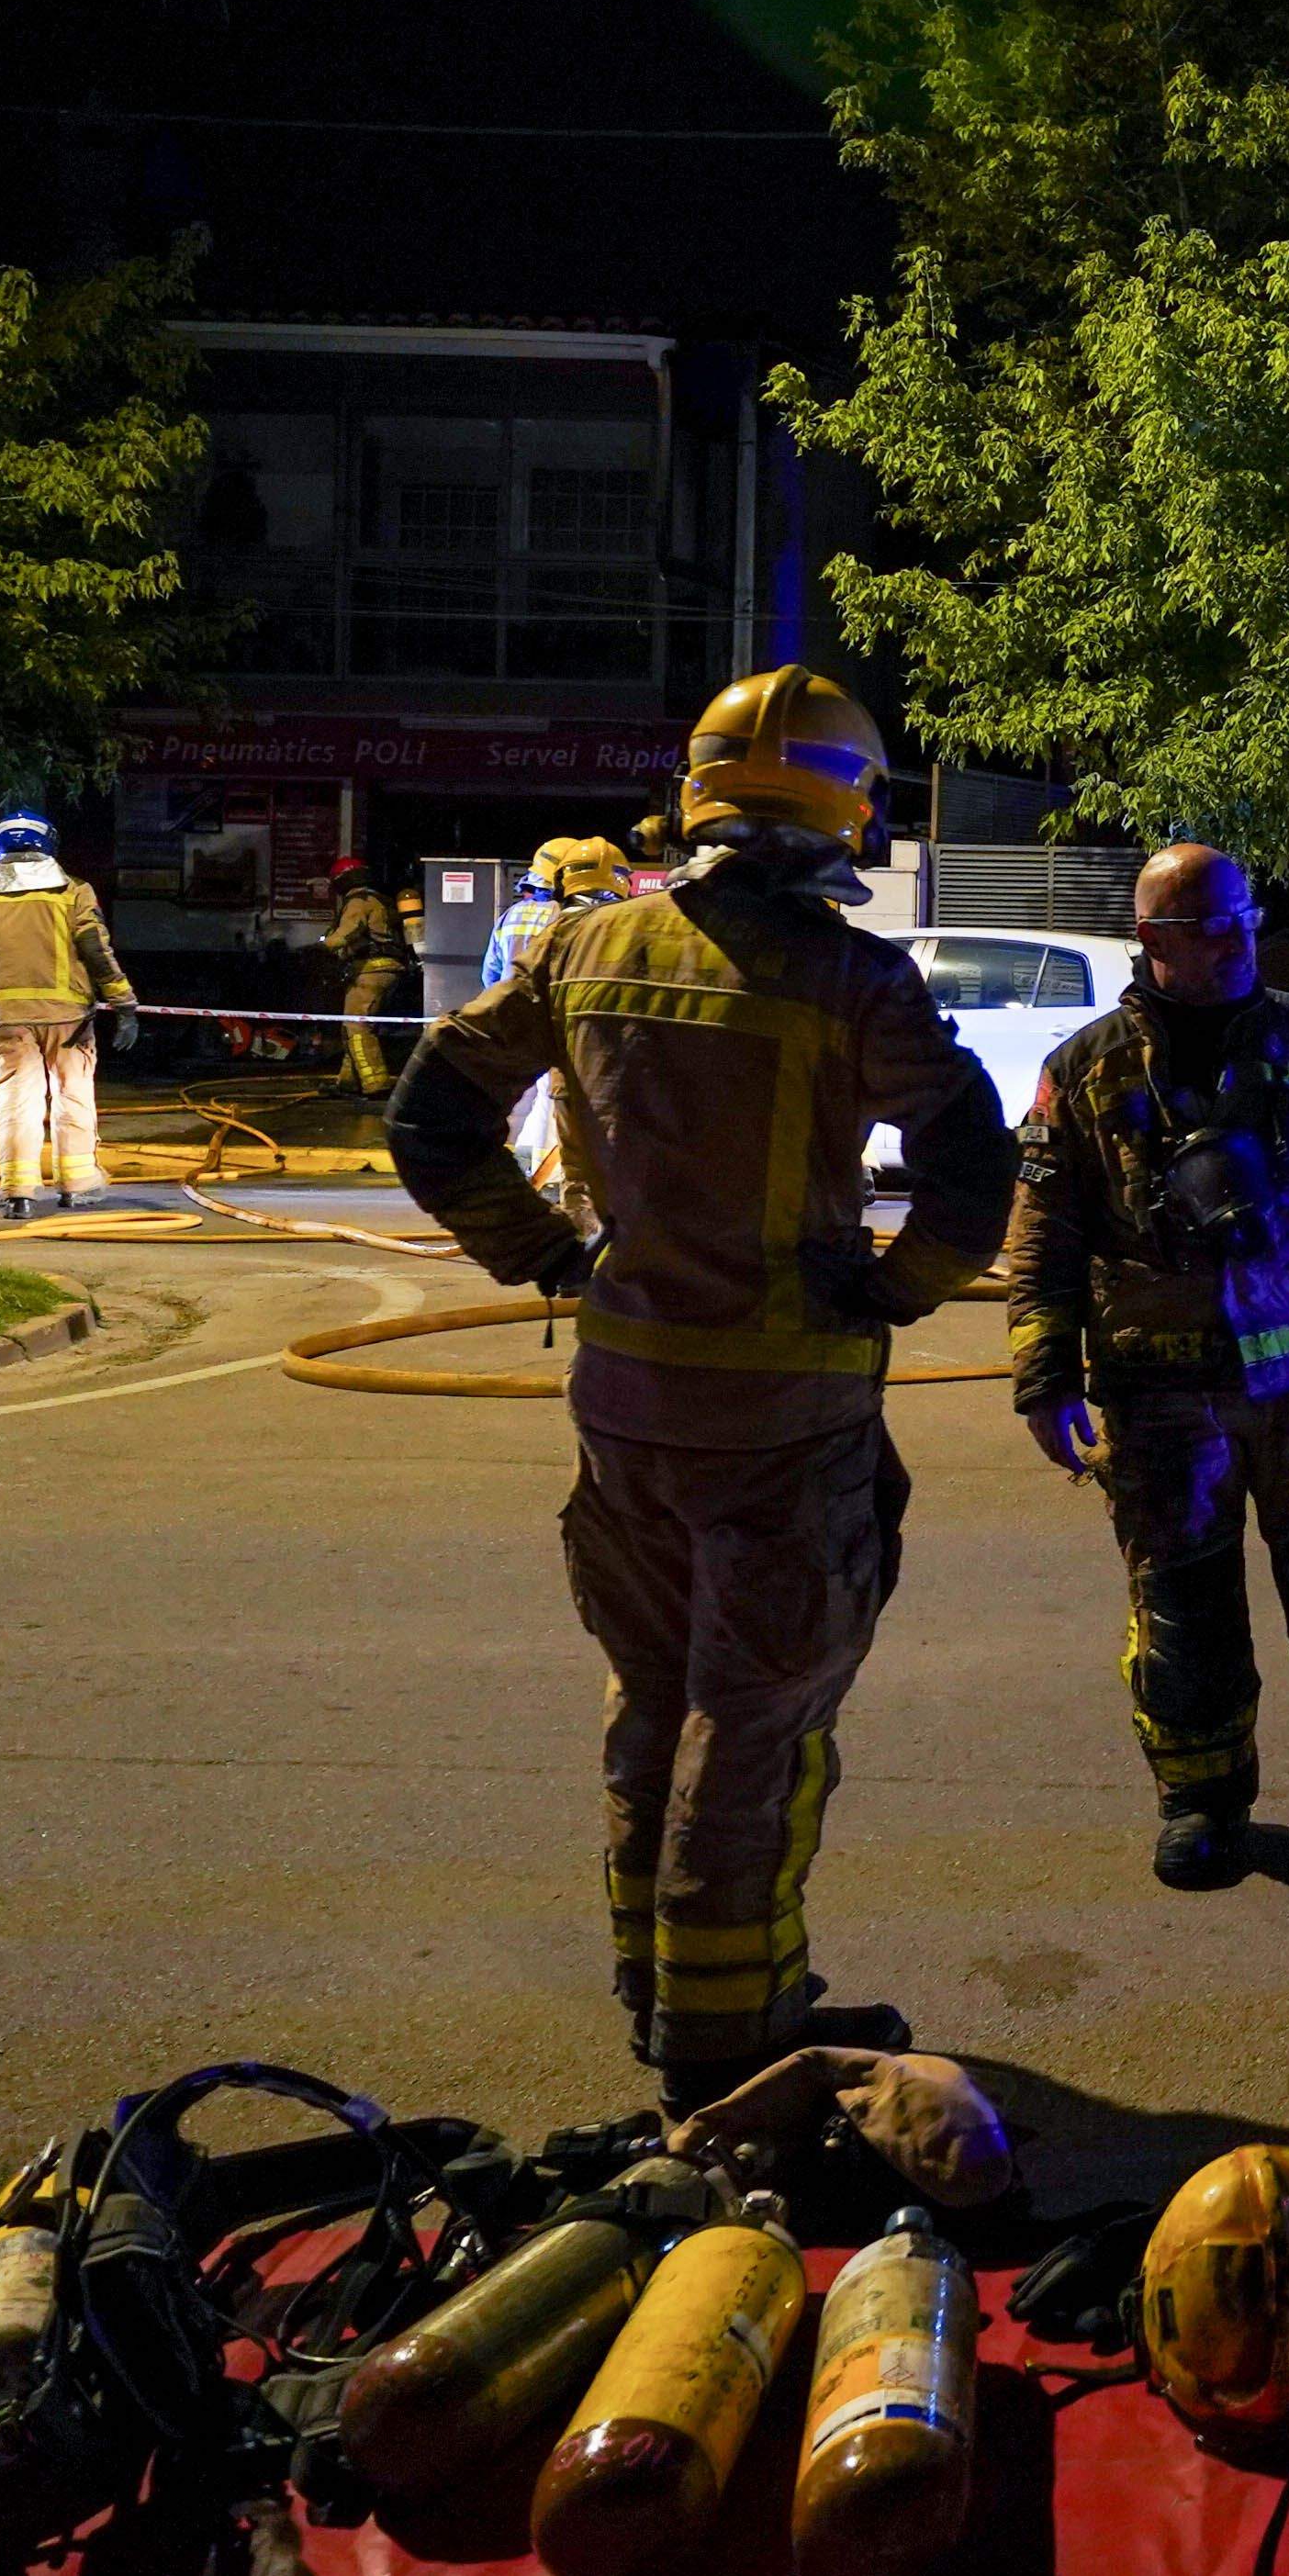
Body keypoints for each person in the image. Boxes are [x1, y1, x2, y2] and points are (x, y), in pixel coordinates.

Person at [387, 666, 1012, 2111]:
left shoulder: (586, 951)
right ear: (844, 813)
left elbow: (434, 1112)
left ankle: (648, 1974)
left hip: (627, 1400)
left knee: (652, 1696)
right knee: (757, 1721)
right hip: (785, 1419)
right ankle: (731, 2028)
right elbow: (972, 1172)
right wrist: (892, 1291)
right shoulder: (853, 978)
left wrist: (548, 1258)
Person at [1005, 843, 1289, 1894]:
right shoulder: (1086, 1069)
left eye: (1243, 917)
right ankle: (1203, 1802)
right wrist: (1043, 1376)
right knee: (1182, 1613)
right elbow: (1043, 1234)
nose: (1238, 937)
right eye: (1208, 924)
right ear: (1154, 942)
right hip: (1157, 1396)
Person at [0, 813, 136, 1216]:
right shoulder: (73, 892)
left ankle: (19, 1194)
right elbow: (96, 951)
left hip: (7, 1018)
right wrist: (123, 1004)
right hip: (67, 1017)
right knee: (73, 1096)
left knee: (17, 1101)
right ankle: (76, 1185)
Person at [490, 836, 625, 1225]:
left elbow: (497, 981)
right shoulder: (626, 924)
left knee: (572, 1160)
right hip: (616, 1062)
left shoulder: (540, 924)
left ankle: (578, 1251)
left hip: (553, 1050)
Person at [322, 858, 416, 1095]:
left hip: (371, 971)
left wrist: (324, 944)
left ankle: (375, 1083)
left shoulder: (358, 902)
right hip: (384, 968)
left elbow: (346, 934)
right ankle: (348, 1081)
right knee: (351, 1026)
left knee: (357, 1026)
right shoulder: (378, 899)